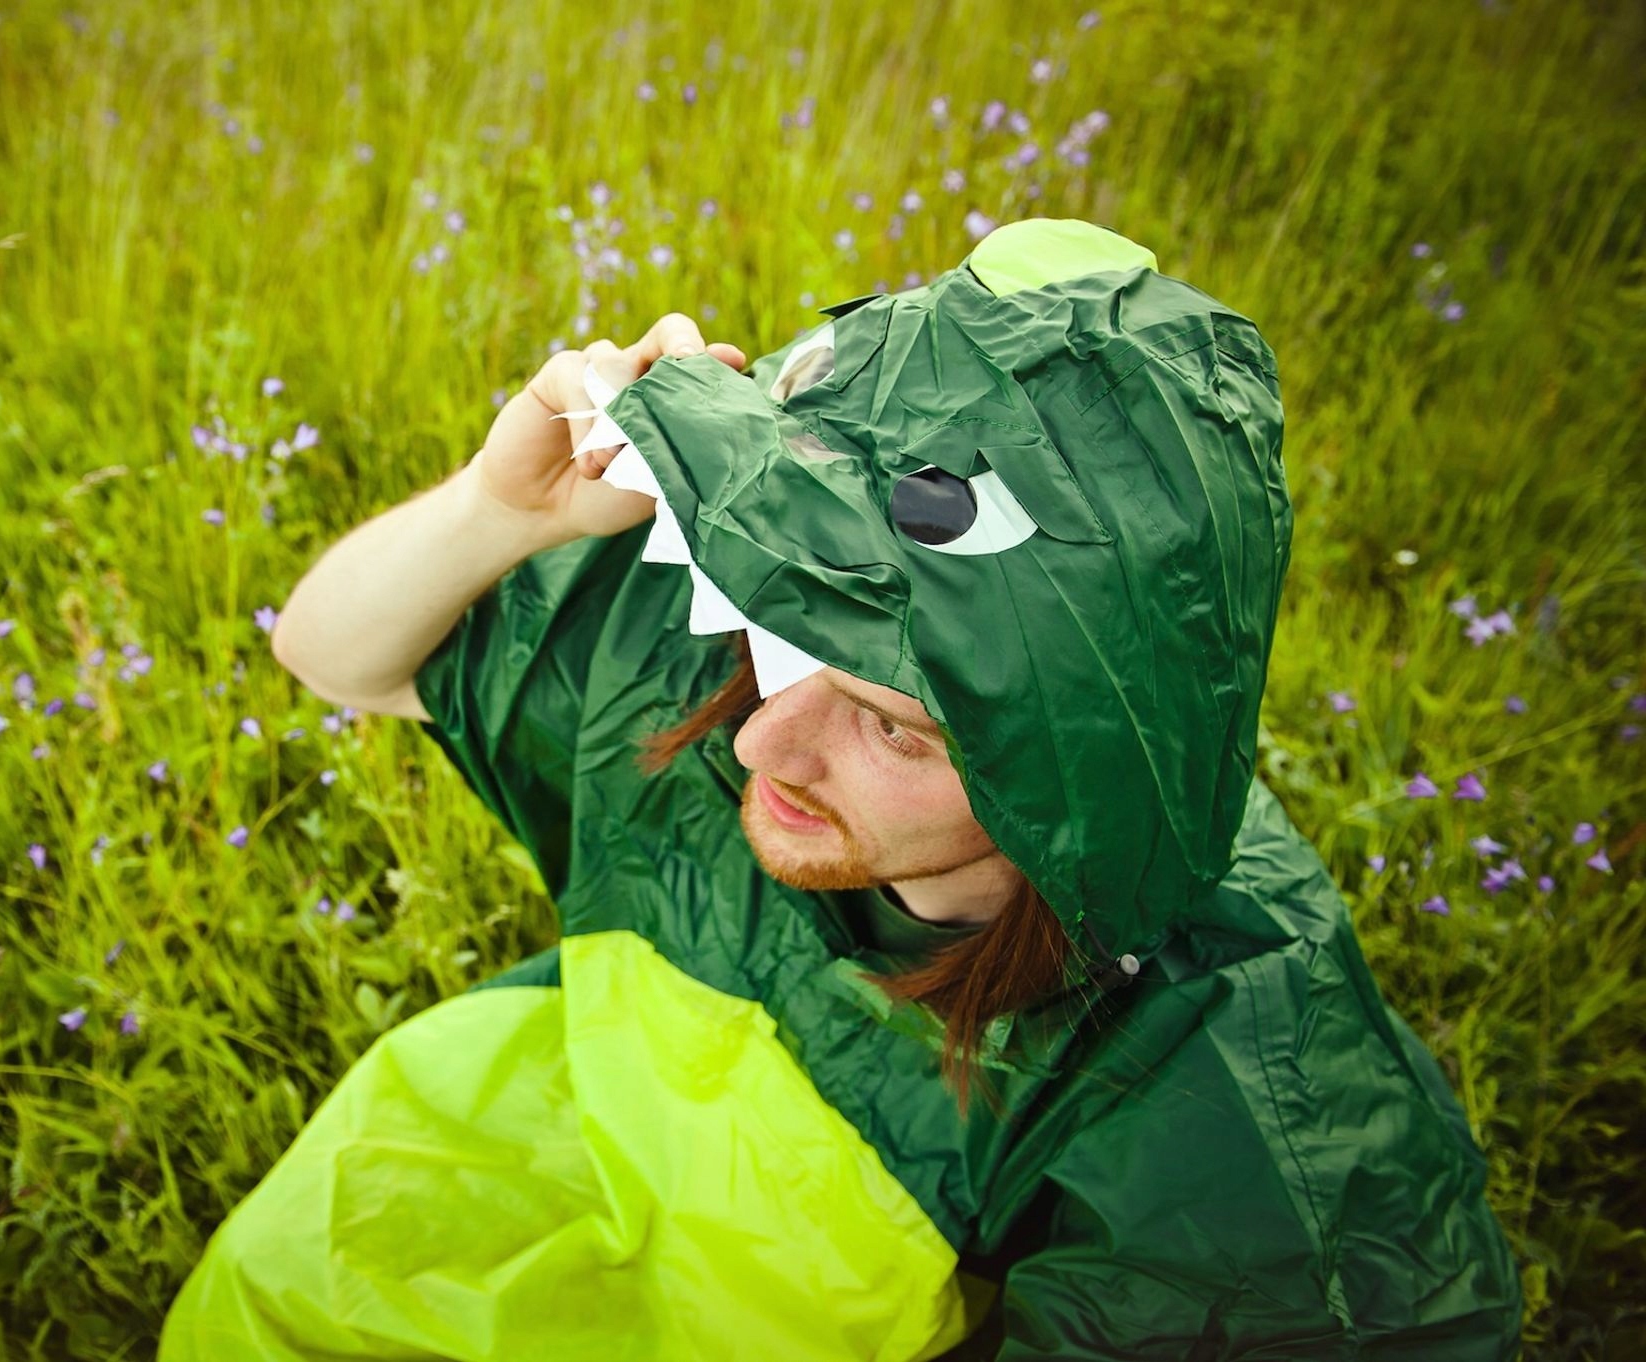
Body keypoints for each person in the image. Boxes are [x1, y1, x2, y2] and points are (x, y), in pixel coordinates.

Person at [159, 218, 1524, 1359]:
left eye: (894, 729)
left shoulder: (1221, 1077)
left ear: (1067, 780)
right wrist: (502, 513)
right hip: (564, 1152)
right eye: (789, 641)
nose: (764, 744)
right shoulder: (727, 668)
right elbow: (337, 658)